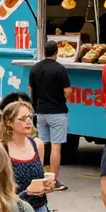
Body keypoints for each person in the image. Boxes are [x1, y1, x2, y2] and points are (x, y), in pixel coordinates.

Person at [29, 40, 73, 191]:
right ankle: (54, 181)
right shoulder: (60, 69)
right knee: (56, 146)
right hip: (57, 112)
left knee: (41, 144)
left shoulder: (35, 67)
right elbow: (68, 91)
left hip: (40, 111)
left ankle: (37, 176)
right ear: (57, 52)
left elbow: (31, 89)